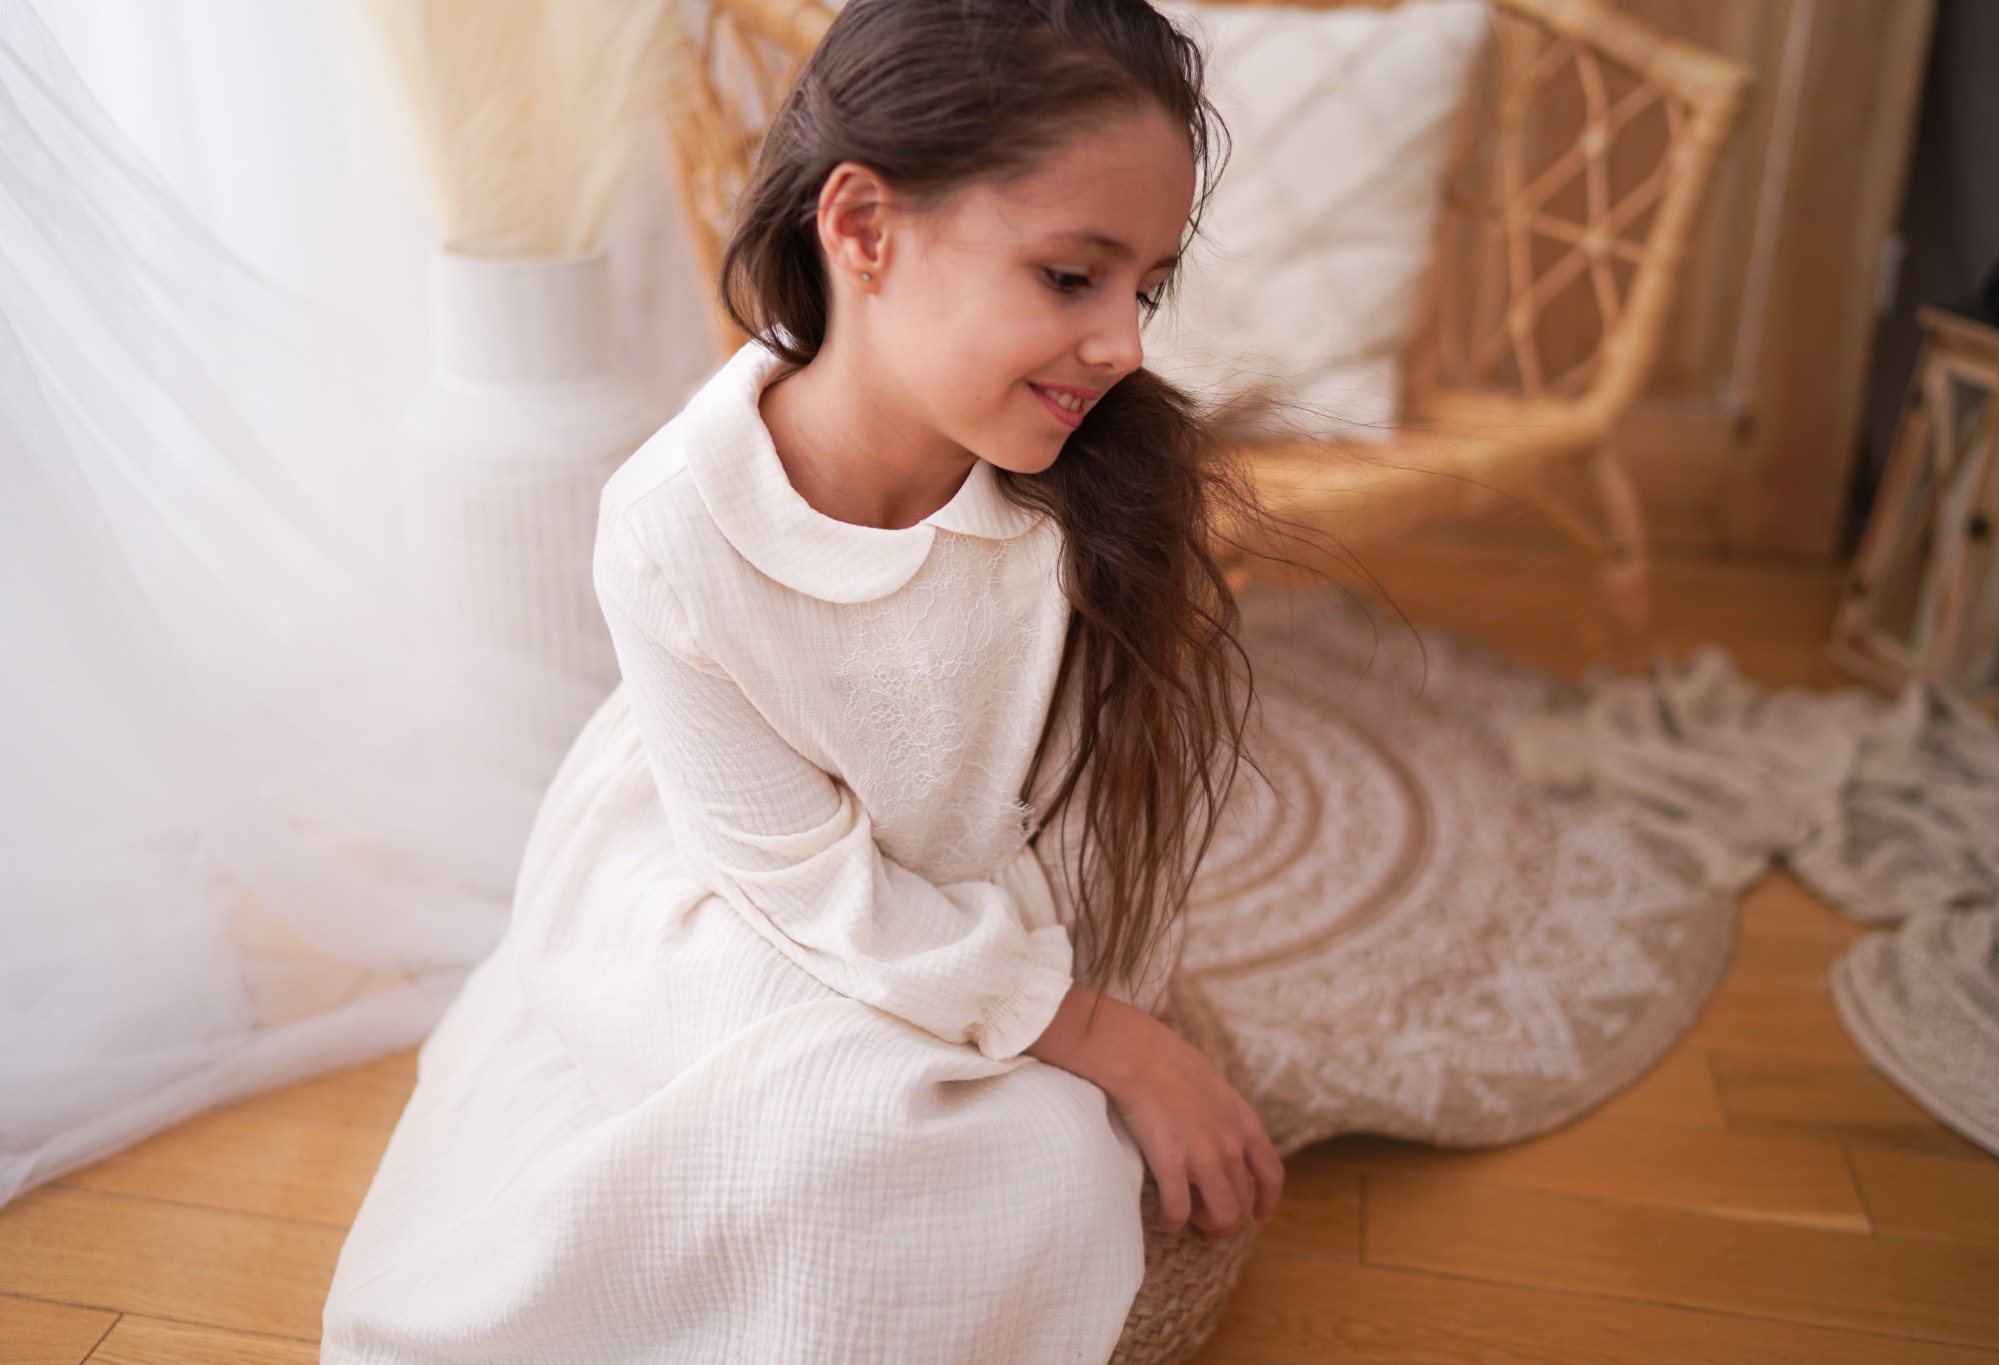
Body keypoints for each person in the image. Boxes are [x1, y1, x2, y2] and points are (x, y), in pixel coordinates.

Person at [322, 0, 1285, 1359]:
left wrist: (1067, 1007)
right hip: (736, 893)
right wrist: (1104, 1036)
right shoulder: (673, 525)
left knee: (1047, 1168)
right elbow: (798, 881)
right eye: (1074, 277)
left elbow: (1043, 801)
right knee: (845, 1122)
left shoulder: (1078, 496)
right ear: (864, 228)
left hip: (956, 877)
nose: (1126, 343)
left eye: (1148, 287)